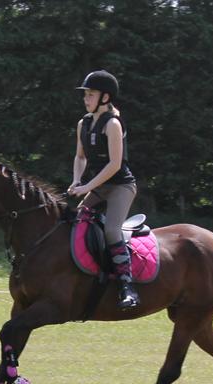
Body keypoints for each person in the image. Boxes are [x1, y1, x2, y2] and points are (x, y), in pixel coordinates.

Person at [66, 70, 139, 309]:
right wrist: (77, 181)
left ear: (105, 98)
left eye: (91, 94)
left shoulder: (113, 124)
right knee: (75, 223)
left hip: (121, 186)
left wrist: (87, 186)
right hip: (99, 186)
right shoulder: (83, 123)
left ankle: (127, 287)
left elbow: (114, 164)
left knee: (110, 230)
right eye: (85, 94)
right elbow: (80, 157)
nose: (86, 99)